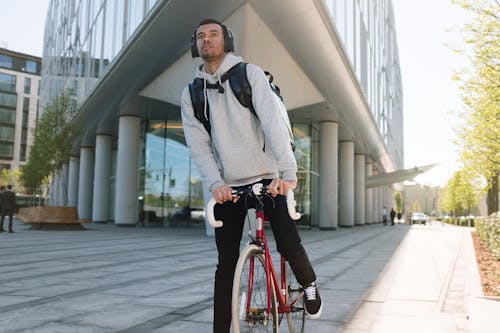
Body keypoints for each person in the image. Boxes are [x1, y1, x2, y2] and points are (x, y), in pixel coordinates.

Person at [181, 19, 322, 332]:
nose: (206, 40)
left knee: (288, 243)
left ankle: (309, 284)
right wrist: (215, 184)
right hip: (228, 187)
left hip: (268, 179)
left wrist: (287, 173)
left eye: (213, 34)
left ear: (226, 41)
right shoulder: (192, 94)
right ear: (195, 46)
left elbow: (273, 124)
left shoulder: (250, 75)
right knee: (226, 265)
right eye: (200, 36)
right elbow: (199, 146)